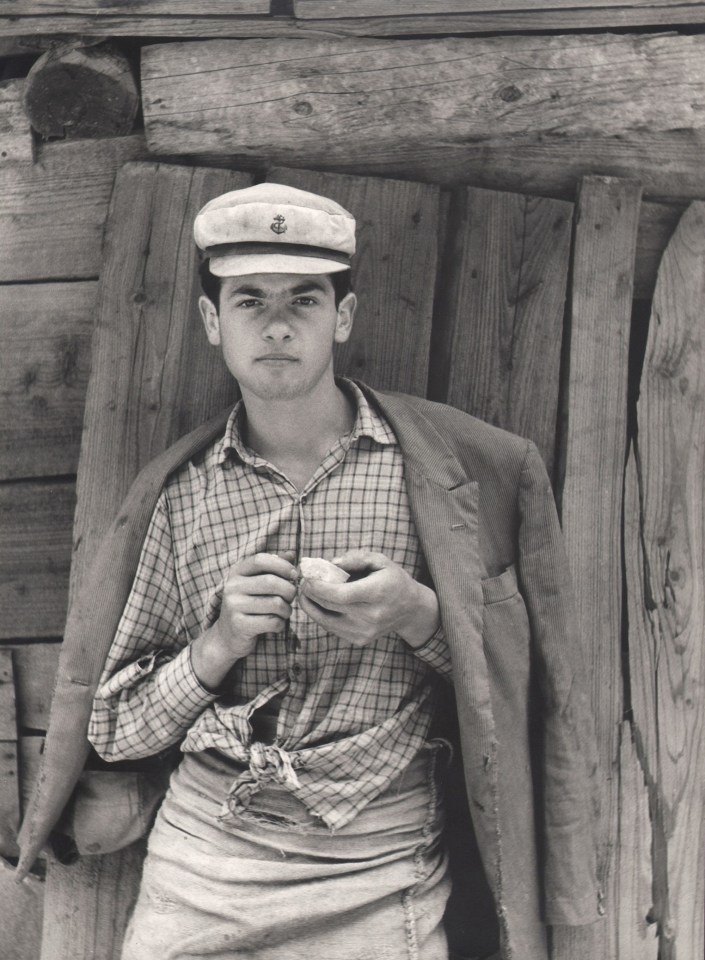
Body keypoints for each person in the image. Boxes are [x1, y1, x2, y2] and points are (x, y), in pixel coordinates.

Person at [38, 184, 602, 960]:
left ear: (342, 316)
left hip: (379, 857)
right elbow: (115, 727)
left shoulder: (456, 473)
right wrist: (215, 648)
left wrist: (415, 614)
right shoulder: (181, 497)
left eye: (304, 299)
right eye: (248, 301)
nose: (276, 324)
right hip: (207, 859)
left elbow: (526, 685)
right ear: (212, 322)